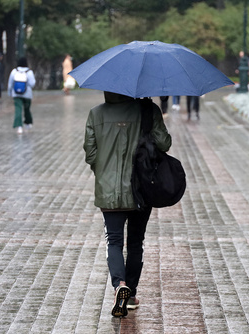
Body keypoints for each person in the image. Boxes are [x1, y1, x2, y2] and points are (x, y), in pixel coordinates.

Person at [83, 92, 171, 317]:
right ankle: (130, 294)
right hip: (141, 188)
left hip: (109, 189)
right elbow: (164, 143)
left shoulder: (96, 114)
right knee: (135, 242)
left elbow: (90, 153)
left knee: (113, 240)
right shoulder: (148, 110)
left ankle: (119, 285)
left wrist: (103, 173)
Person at [7, 57, 36, 134]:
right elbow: (32, 84)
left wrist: (9, 92)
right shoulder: (29, 72)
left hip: (16, 94)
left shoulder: (14, 71)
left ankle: (19, 126)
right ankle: (28, 123)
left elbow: (10, 83)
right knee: (27, 109)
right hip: (27, 94)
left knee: (18, 109)